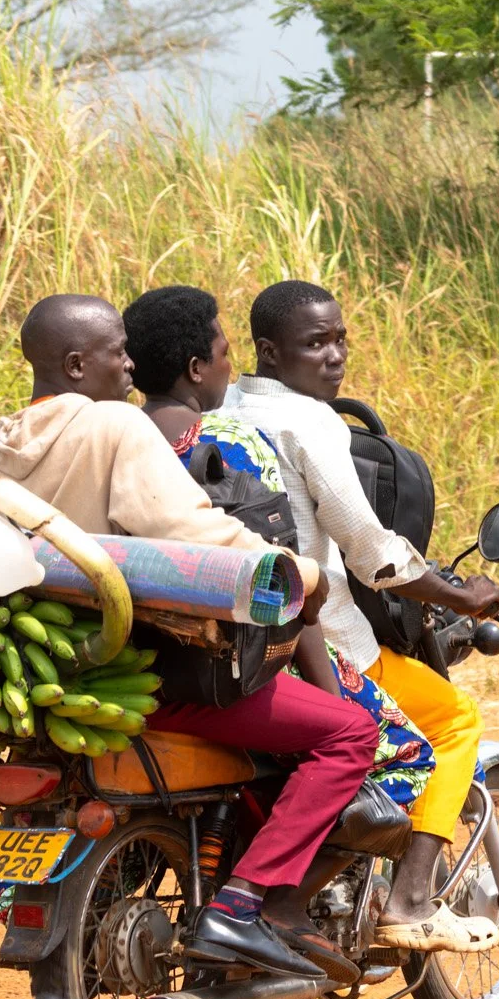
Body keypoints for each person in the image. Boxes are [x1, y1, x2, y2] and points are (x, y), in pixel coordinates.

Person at [0, 293, 378, 982]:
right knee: (349, 733)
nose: (130, 366)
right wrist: (299, 574)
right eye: (116, 352)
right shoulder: (113, 426)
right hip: (144, 680)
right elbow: (193, 531)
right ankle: (244, 906)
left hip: (47, 681)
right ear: (76, 364)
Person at [221, 279, 499, 953]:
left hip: (233, 638)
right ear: (269, 350)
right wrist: (461, 595)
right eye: (316, 343)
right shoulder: (312, 423)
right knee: (453, 721)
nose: (335, 356)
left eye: (341, 340)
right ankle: (410, 900)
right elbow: (371, 550)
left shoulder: (222, 406)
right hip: (323, 642)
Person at [121, 285, 443, 805]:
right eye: (225, 354)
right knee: (407, 754)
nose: (231, 368)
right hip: (245, 657)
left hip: (144, 656)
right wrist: (332, 702)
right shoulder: (236, 443)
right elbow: (285, 578)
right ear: (196, 369)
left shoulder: (119, 436)